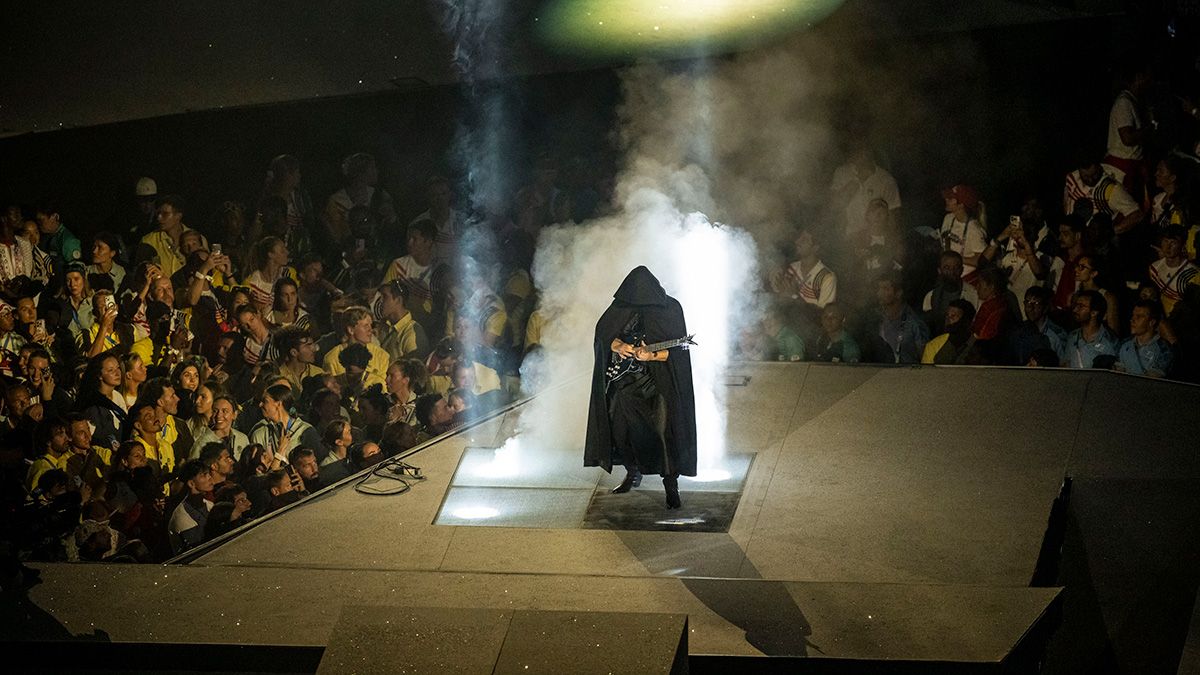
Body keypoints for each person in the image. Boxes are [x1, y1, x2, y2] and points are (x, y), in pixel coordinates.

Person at [584, 267, 697, 509]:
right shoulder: (620, 308)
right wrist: (617, 345)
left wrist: (652, 356)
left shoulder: (670, 309)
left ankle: (670, 484)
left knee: (662, 432)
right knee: (621, 432)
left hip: (657, 385)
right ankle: (632, 471)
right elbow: (602, 335)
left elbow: (678, 355)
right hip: (623, 384)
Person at [1115, 300, 1173, 378]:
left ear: (1151, 322)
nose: (1132, 320)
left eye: (1139, 316)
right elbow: (1117, 375)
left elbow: (1153, 381)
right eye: (1133, 315)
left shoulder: (1164, 349)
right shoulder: (1124, 344)